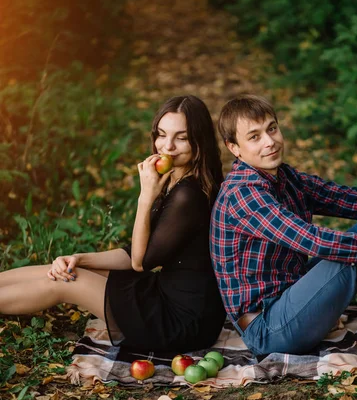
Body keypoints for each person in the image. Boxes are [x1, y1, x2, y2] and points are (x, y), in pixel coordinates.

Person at [0, 95, 226, 354]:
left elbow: (140, 263)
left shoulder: (190, 195)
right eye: (162, 135)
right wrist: (79, 257)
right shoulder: (176, 179)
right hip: (167, 293)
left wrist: (145, 196)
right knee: (62, 268)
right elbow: (133, 253)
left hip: (179, 323)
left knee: (63, 282)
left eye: (182, 138)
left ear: (200, 140)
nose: (168, 147)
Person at [210, 94, 357, 357]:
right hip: (268, 328)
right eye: (254, 137)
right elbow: (316, 241)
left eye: (272, 128)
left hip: (291, 296)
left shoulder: (284, 177)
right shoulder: (243, 195)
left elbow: (348, 198)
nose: (270, 141)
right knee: (352, 258)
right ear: (234, 148)